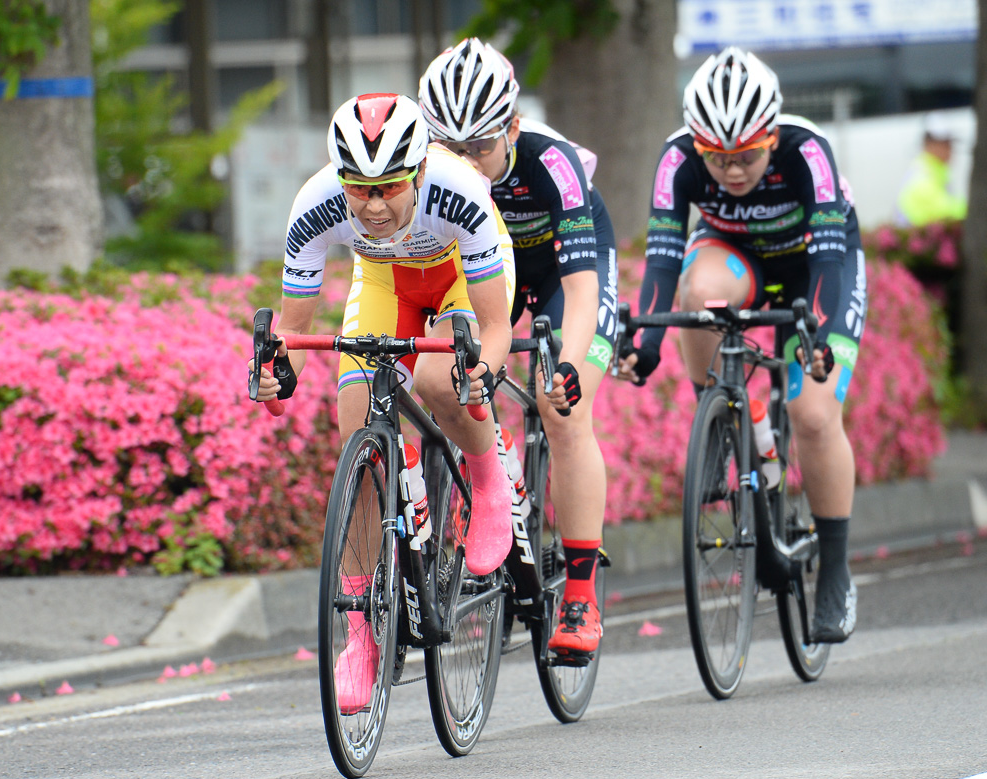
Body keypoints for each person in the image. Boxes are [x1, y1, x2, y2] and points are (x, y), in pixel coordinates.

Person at [250, 93, 517, 711]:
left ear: (419, 171)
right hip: (383, 284)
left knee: (432, 378)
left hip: (459, 280)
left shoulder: (459, 191)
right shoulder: (316, 204)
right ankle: (362, 636)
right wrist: (274, 381)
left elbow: (495, 327)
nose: (370, 205)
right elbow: (292, 335)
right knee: (355, 434)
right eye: (358, 188)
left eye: (388, 188)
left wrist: (481, 373)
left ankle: (486, 476)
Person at [615, 46, 866, 643]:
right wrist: (646, 341)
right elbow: (663, 257)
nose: (731, 171)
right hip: (735, 259)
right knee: (697, 291)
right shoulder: (677, 158)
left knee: (812, 414)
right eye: (716, 157)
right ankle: (725, 414)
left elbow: (830, 254)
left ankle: (834, 569)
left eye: (747, 156)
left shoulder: (807, 151)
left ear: (772, 136)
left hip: (815, 270)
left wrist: (821, 336)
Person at [420, 37, 619, 659]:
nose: (468, 164)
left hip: (564, 272)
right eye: (450, 149)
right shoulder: (424, 170)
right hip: (490, 277)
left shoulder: (551, 163)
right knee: (444, 374)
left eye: (481, 147)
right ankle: (497, 473)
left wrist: (567, 365)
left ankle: (582, 593)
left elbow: (583, 289)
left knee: (561, 408)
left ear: (511, 126)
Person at [895, 111, 967, 226]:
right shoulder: (921, 177)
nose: (950, 149)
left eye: (950, 143)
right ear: (928, 144)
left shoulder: (934, 172)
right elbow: (949, 212)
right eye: (945, 143)